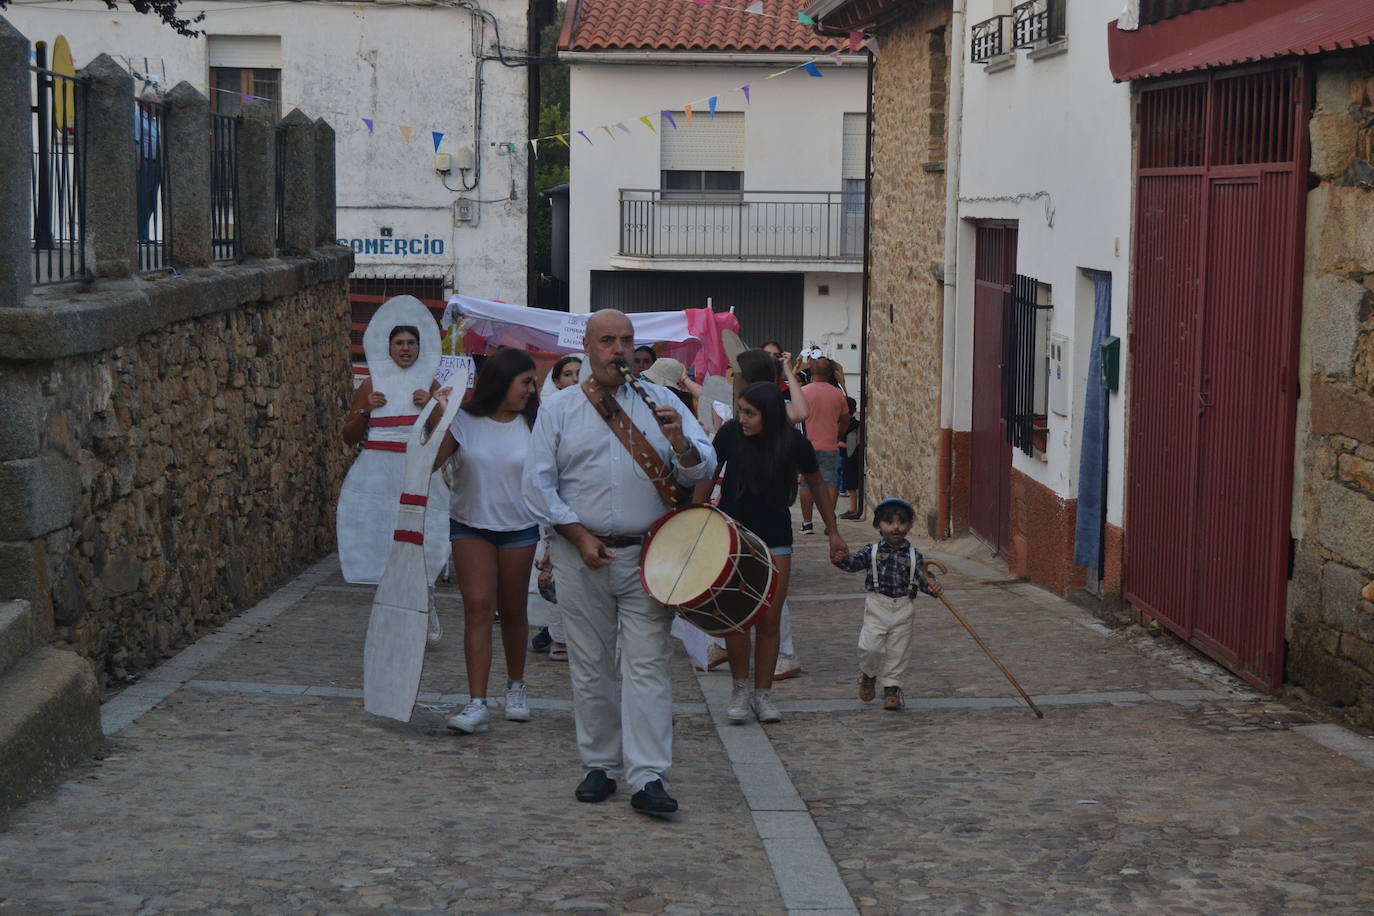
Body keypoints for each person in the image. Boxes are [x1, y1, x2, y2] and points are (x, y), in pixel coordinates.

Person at [524, 309, 716, 816]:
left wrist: (677, 440)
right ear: (587, 347)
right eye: (608, 341)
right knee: (589, 665)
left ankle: (649, 775)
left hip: (648, 555)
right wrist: (579, 535)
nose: (619, 350)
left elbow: (705, 464)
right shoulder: (560, 409)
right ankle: (600, 766)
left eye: (627, 341)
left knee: (648, 665)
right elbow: (537, 485)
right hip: (578, 554)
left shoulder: (663, 400)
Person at [695, 382, 847, 725]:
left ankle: (763, 696)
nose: (742, 419)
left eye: (750, 413)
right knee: (736, 617)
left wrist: (833, 532)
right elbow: (708, 475)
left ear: (770, 414)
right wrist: (693, 517)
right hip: (732, 536)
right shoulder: (731, 434)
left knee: (769, 620)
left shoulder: (794, 442)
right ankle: (739, 690)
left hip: (776, 538)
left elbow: (817, 485)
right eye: (741, 411)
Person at [431, 348, 542, 734]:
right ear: (501, 381)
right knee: (478, 608)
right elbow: (428, 460)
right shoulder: (464, 421)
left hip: (520, 527)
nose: (532, 389)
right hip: (470, 525)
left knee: (512, 612)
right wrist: (439, 415)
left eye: (533, 382)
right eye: (525, 382)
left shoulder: (536, 422)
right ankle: (476, 702)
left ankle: (515, 686)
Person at [339, 316, 447, 646]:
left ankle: (426, 604)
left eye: (411, 343)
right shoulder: (372, 384)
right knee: (383, 538)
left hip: (415, 470)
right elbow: (348, 436)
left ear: (420, 347)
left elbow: (446, 435)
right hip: (377, 473)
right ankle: (389, 614)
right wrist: (364, 412)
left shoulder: (430, 385)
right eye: (399, 343)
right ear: (388, 347)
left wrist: (431, 408)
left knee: (419, 536)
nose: (405, 348)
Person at [832, 499, 943, 711]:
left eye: (901, 523)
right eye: (889, 523)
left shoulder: (914, 555)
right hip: (877, 606)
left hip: (904, 607)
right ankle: (868, 674)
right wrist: (840, 559)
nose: (895, 528)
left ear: (910, 526)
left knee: (898, 651)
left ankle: (891, 688)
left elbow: (924, 579)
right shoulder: (871, 552)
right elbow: (852, 564)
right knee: (869, 647)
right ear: (878, 526)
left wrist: (934, 588)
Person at [532, 354, 583, 660]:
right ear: (556, 380)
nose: (574, 378)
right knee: (557, 573)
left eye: (579, 372)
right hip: (556, 505)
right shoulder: (548, 415)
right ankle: (558, 638)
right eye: (568, 373)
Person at [798, 358, 849, 535]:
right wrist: (837, 435)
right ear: (829, 374)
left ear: (812, 372)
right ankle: (829, 522)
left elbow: (795, 418)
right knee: (830, 484)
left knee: (805, 484)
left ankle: (807, 523)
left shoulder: (802, 392)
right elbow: (845, 420)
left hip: (806, 446)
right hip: (829, 444)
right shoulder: (837, 394)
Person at [839, 398, 864, 519]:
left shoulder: (852, 425)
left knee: (851, 485)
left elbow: (851, 446)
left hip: (851, 459)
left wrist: (838, 443)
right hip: (849, 458)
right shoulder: (853, 424)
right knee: (849, 484)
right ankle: (852, 508)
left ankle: (853, 509)